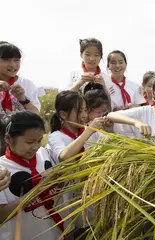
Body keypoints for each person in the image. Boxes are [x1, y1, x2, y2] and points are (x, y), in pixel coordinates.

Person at [0, 111, 62, 239]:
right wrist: (39, 189)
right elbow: (2, 215)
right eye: (29, 142)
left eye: (39, 141)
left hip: (54, 232)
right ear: (8, 139)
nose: (35, 147)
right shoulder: (2, 170)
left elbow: (58, 187)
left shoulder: (43, 153)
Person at [47, 90, 107, 165]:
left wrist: (109, 128)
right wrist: (88, 131)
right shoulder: (55, 136)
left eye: (85, 110)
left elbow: (110, 142)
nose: (84, 115)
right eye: (79, 111)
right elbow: (64, 157)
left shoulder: (92, 131)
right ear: (63, 115)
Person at [0, 42, 41, 116]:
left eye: (16, 60)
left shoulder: (26, 83)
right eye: (6, 60)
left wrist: (23, 99)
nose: (12, 65)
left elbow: (36, 114)